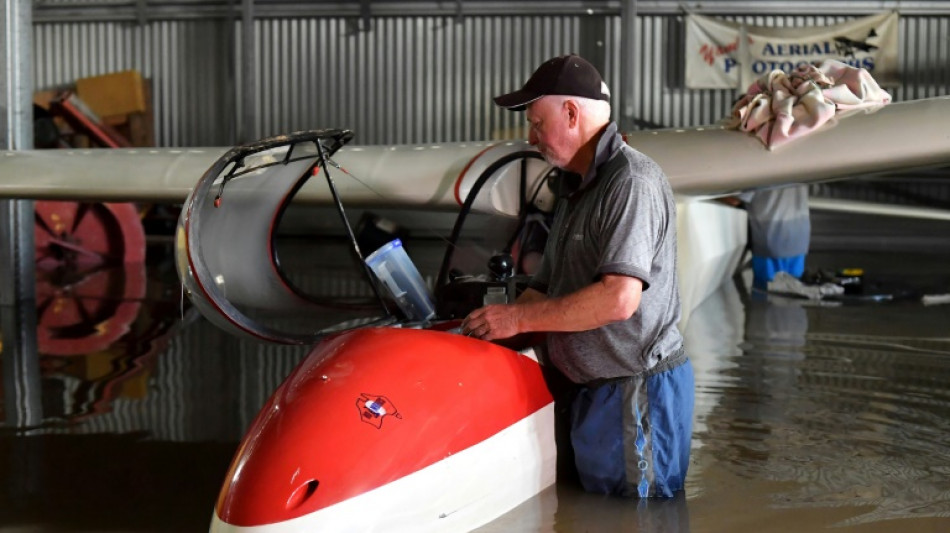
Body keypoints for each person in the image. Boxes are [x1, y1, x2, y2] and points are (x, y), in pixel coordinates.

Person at [461, 54, 693, 498]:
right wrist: (484, 331)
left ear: (571, 113)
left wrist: (517, 322)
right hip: (591, 391)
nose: (532, 138)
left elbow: (618, 300)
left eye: (536, 124)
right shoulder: (574, 188)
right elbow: (544, 288)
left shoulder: (631, 182)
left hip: (635, 392)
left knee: (636, 522)